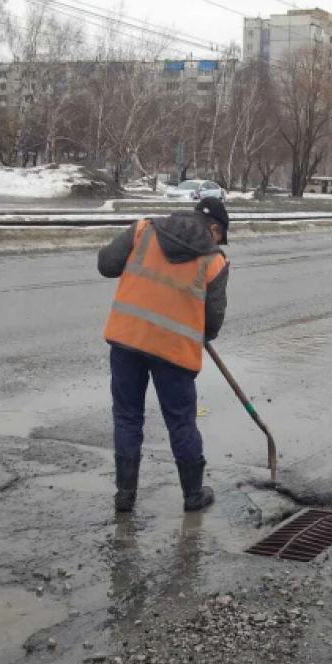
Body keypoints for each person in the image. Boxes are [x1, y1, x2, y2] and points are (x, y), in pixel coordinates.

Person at [97, 196, 230, 513]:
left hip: (127, 340)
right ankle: (193, 495)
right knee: (181, 422)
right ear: (213, 227)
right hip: (173, 352)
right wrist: (198, 329)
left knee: (127, 417)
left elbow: (106, 265)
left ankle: (125, 496)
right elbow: (213, 322)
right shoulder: (214, 261)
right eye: (220, 236)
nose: (218, 243)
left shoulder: (144, 230)